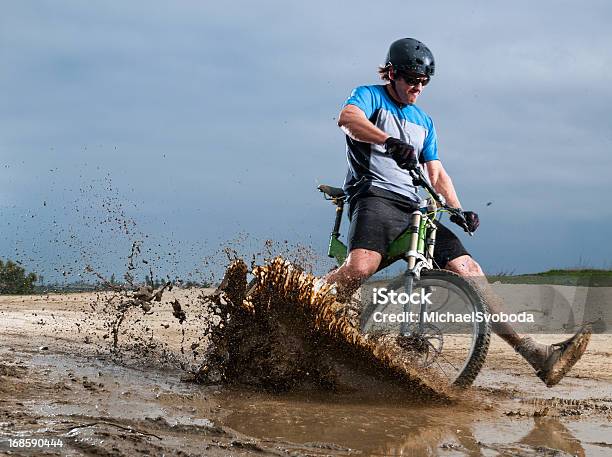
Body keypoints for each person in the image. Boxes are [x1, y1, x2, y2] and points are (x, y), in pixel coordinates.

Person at [322, 37, 591, 387]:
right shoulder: (370, 96)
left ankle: (538, 355)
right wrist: (387, 141)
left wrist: (458, 209)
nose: (418, 87)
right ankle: (302, 298)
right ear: (391, 73)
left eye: (424, 82)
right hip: (375, 196)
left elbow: (435, 171)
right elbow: (347, 119)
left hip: (414, 208)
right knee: (361, 266)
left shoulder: (424, 120)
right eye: (411, 80)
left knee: (469, 270)